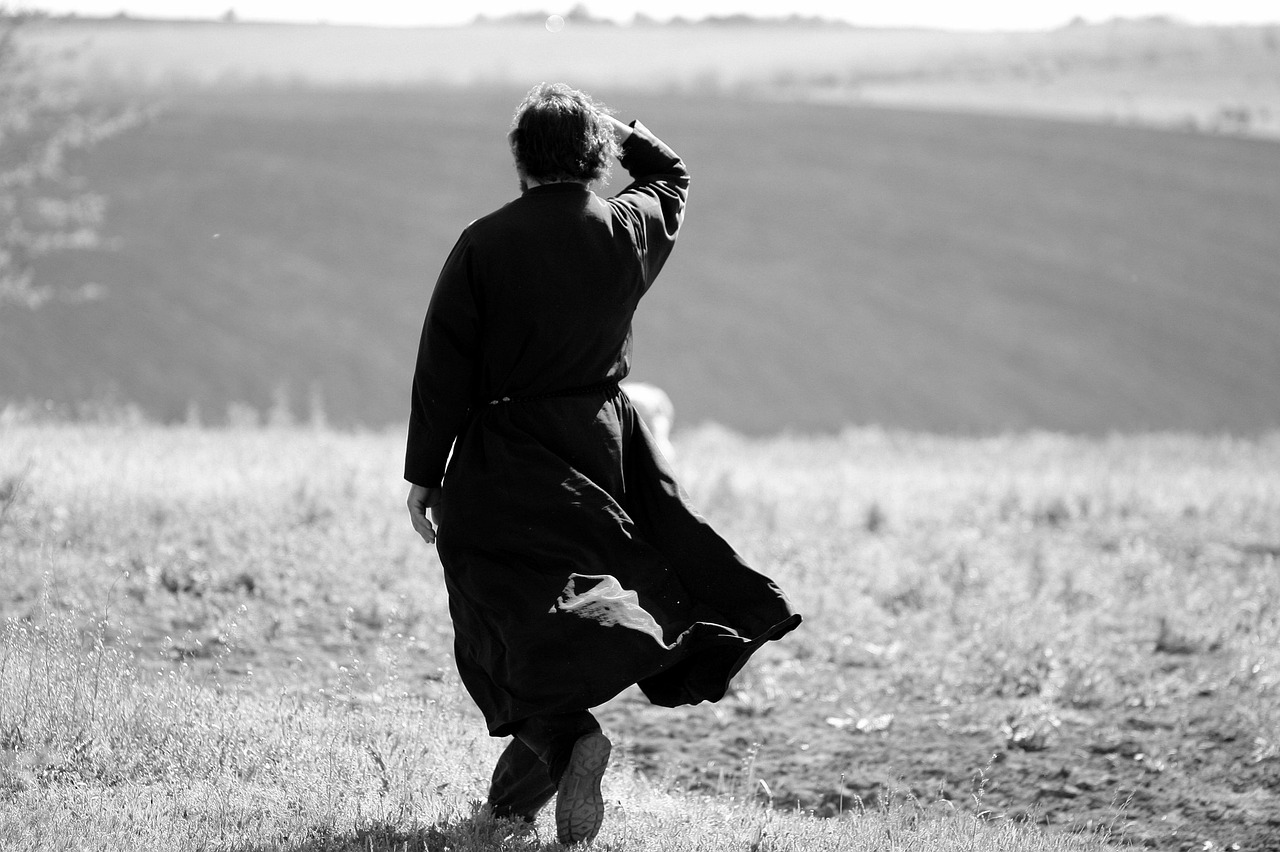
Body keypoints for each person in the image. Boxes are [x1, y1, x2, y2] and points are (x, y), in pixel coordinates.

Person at [404, 82, 800, 846]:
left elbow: (442, 367)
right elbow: (673, 175)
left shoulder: (484, 243)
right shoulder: (626, 227)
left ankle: (570, 742)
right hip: (602, 445)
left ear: (520, 158)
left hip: (506, 451)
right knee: (565, 617)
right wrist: (616, 128)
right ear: (595, 157)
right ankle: (512, 804)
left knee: (498, 622)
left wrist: (425, 470)